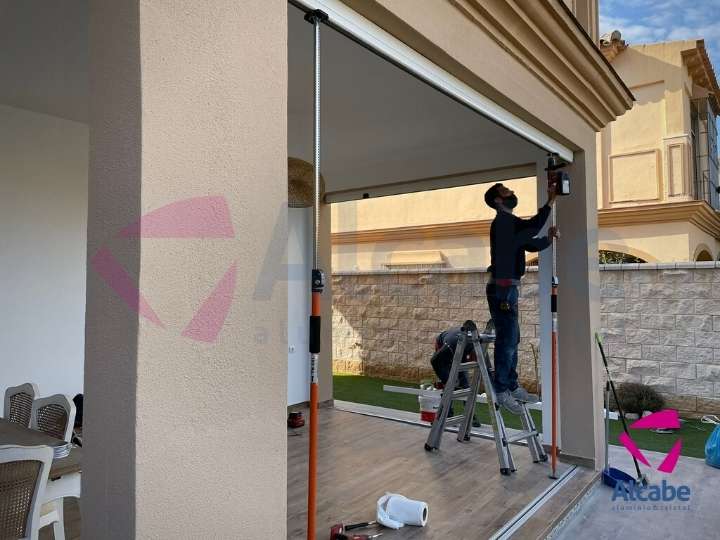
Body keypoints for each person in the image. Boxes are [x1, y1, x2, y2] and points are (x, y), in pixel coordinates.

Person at [484, 182, 559, 414]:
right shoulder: (504, 221)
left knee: (512, 339)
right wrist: (551, 201)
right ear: (498, 199)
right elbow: (531, 228)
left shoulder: (508, 223)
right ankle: (502, 390)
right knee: (506, 341)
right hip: (503, 289)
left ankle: (511, 384)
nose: (512, 193)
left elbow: (527, 241)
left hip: (507, 288)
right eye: (506, 191)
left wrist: (547, 238)